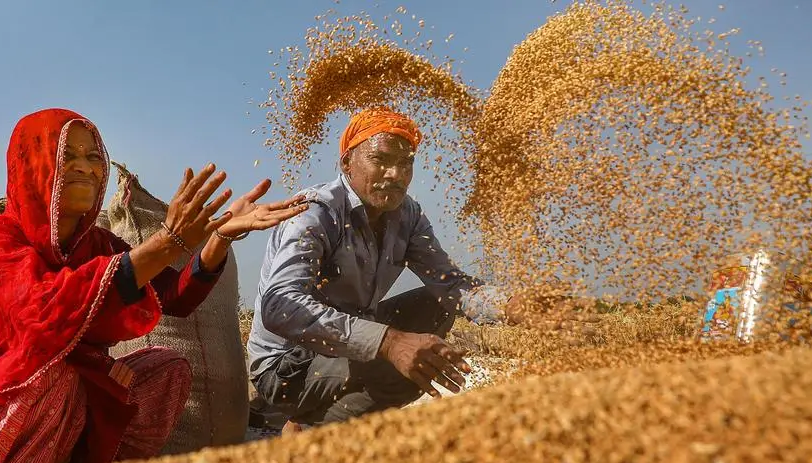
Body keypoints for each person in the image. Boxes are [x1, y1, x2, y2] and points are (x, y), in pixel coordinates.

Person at [0, 108, 307, 463]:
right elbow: (41, 314)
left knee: (166, 369)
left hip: (57, 409)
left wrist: (219, 238)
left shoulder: (97, 244)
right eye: (68, 156)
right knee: (53, 378)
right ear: (34, 167)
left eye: (93, 156)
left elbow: (171, 297)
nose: (85, 167)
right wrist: (166, 242)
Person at [247, 107, 596, 429]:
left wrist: (511, 305)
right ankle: (313, 427)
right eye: (381, 159)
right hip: (286, 367)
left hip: (346, 349)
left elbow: (451, 284)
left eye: (406, 163)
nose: (395, 174)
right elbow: (280, 306)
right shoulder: (316, 212)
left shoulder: (407, 216)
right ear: (347, 163)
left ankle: (314, 420)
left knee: (434, 306)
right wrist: (389, 342)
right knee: (402, 361)